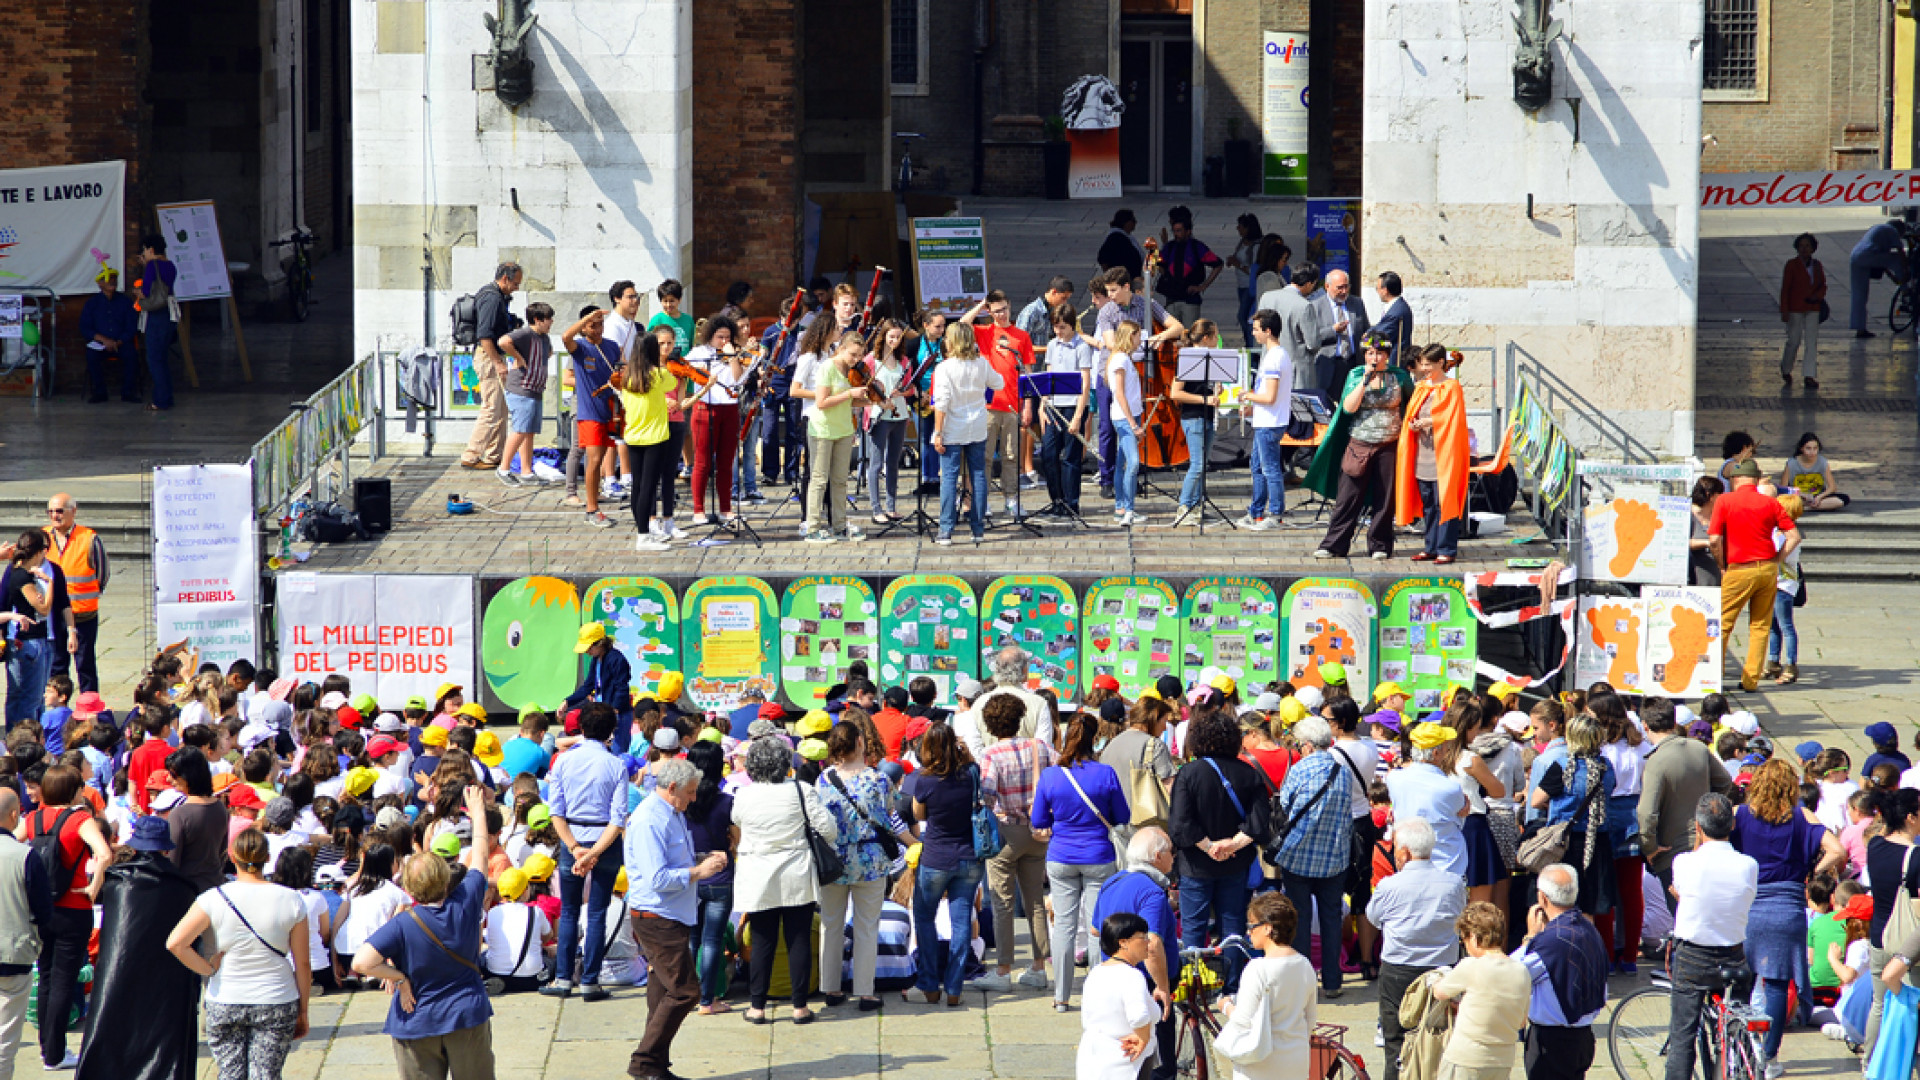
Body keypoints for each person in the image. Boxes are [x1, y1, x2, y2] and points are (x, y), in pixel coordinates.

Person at [351, 785, 496, 1080]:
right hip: (465, 1015)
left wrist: (399, 978)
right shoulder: (465, 903)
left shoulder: (402, 923)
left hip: (415, 1019)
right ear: (445, 881)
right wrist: (478, 812)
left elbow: (361, 963)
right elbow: (481, 853)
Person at [165, 829, 311, 1080]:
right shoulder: (291, 899)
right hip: (276, 997)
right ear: (268, 857)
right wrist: (303, 1009)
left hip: (225, 997)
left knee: (230, 1074)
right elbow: (303, 963)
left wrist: (207, 969)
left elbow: (176, 943)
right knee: (266, 1074)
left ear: (232, 857)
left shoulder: (212, 898)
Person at [1729, 758, 1845, 1071]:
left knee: (1742, 983)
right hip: (1787, 907)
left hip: (1747, 905)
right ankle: (1768, 1057)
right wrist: (1811, 872)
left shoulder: (1738, 815)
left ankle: (1736, 1052)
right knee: (1777, 985)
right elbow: (1837, 850)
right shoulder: (1801, 816)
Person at [624, 756, 728, 1080]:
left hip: (670, 915)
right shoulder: (649, 820)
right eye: (691, 792)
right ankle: (644, 1063)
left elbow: (673, 860)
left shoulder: (672, 812)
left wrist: (701, 859)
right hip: (658, 916)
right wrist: (700, 871)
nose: (695, 798)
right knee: (685, 991)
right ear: (672, 788)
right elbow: (658, 879)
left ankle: (654, 1067)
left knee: (662, 989)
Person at [77, 814, 199, 1080]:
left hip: (119, 970)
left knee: (115, 1019)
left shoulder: (118, 882)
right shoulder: (183, 886)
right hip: (165, 975)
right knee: (161, 1028)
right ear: (166, 848)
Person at [733, 735, 838, 1022]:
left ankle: (756, 1007)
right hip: (796, 872)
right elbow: (829, 830)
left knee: (762, 939)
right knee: (799, 939)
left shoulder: (744, 795)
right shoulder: (801, 790)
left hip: (758, 874)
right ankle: (800, 1006)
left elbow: (738, 820)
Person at [1030, 709, 1130, 1009]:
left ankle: (1061, 995)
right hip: (1098, 855)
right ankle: (1096, 994)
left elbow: (1038, 819)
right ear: (1094, 737)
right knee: (1097, 923)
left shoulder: (1050, 775)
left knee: (1064, 925)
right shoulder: (1105, 774)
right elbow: (1122, 816)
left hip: (1061, 854)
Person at [1167, 710, 1269, 990]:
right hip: (1237, 863)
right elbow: (1260, 822)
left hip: (1195, 865)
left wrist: (1210, 846)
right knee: (1233, 929)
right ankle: (1232, 987)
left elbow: (1179, 825)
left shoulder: (1189, 773)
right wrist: (1233, 844)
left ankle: (1193, 986)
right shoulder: (1249, 772)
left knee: (1193, 930)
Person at [814, 722, 909, 1011]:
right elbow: (889, 813)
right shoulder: (879, 780)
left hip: (833, 860)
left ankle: (830, 987)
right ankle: (865, 991)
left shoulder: (823, 780)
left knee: (831, 924)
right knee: (867, 926)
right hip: (870, 859)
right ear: (858, 744)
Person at [1665, 793, 1759, 1080]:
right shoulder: (1748, 864)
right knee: (1736, 1021)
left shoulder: (1684, 862)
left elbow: (1683, 893)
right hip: (1734, 954)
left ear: (1699, 827)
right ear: (1731, 825)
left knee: (1683, 1035)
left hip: (1694, 955)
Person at [1365, 816, 1465, 1080]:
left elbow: (1374, 918)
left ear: (1405, 852)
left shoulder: (1389, 885)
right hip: (1442, 970)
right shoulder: (1453, 883)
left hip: (1399, 970)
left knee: (1396, 1043)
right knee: (1443, 1040)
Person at [542, 701, 629, 1000]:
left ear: (580, 729)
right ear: (610, 733)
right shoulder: (616, 764)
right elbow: (618, 819)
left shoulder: (564, 761)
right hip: (604, 841)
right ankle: (590, 980)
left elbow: (556, 812)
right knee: (597, 913)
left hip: (573, 839)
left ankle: (564, 979)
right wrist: (592, 853)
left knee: (568, 912)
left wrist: (576, 848)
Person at [975, 694, 1059, 993]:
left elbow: (987, 794)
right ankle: (1038, 967)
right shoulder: (1042, 747)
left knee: (1002, 902)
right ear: (1021, 717)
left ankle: (1003, 969)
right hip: (1038, 832)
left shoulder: (991, 754)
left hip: (1007, 831)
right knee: (1035, 899)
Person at [1268, 716, 1353, 997]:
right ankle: (1332, 982)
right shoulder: (1343, 771)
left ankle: (1303, 983)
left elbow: (1285, 805)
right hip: (1334, 856)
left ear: (1306, 745)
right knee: (1331, 918)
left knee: (1299, 919)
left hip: (1298, 855)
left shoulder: (1299, 770)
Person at [1308, 334, 1414, 560]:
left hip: (1389, 444)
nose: (1374, 358)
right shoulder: (1356, 375)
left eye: (1379, 353)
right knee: (1348, 496)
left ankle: (1379, 546)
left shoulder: (1400, 377)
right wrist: (1365, 381)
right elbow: (1348, 408)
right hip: (1359, 442)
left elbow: (1412, 404)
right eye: (1370, 353)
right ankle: (1334, 544)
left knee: (1385, 499)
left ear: (1387, 355)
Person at [902, 722, 984, 1006]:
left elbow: (919, 814)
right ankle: (954, 987)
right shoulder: (971, 773)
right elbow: (977, 782)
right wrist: (966, 752)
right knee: (961, 921)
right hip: (969, 856)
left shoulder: (924, 779)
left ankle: (928, 982)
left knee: (924, 918)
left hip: (936, 857)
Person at [1092, 828, 1179, 1080]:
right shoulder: (1151, 891)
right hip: (1144, 981)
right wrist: (1162, 986)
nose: (1173, 858)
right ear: (1157, 856)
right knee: (1157, 1059)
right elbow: (1152, 945)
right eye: (1171, 852)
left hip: (1112, 974)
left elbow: (1095, 929)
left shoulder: (1112, 882)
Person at [1709, 458, 1802, 691]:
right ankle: (1751, 680)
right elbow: (1794, 536)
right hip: (1767, 569)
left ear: (1736, 479)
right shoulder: (1770, 503)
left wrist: (1721, 564)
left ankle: (1714, 676)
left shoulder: (1725, 500)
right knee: (1760, 625)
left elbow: (1714, 539)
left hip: (1739, 567)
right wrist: (1777, 559)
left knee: (1723, 623)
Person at [1514, 863, 1609, 1080]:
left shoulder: (1550, 942)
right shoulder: (1589, 929)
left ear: (1542, 899)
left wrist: (1530, 937)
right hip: (1583, 1037)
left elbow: (1511, 975)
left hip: (1552, 1043)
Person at [1634, 696, 1732, 896]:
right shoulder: (1698, 748)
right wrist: (1707, 809)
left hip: (1670, 853)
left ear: (1645, 725)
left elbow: (1646, 813)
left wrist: (1649, 847)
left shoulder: (1656, 761)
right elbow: (1725, 782)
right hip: (1704, 843)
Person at [1214, 892, 1315, 1080]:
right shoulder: (1305, 965)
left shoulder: (1257, 968)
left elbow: (1243, 1021)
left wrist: (1226, 1006)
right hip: (1296, 1061)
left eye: (1252, 926)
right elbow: (1310, 1020)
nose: (1248, 932)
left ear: (1267, 928)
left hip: (1260, 1062)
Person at [1429, 903, 1532, 1080]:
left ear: (1475, 938)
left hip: (1466, 1058)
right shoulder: (1521, 971)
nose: (1465, 946)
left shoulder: (1470, 966)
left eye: (1464, 939)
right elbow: (1521, 1022)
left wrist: (1433, 979)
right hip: (1502, 1061)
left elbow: (1439, 991)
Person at [932, 320, 1004, 546]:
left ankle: (945, 529)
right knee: (978, 475)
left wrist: (937, 432)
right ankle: (977, 527)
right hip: (977, 425)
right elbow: (999, 383)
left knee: (950, 477)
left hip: (953, 426)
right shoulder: (981, 363)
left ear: (952, 342)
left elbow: (941, 403)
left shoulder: (944, 367)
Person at [1396, 345, 1469, 565]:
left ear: (1440, 363)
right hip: (1422, 453)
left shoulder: (1451, 387)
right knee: (1428, 502)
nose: (1424, 368)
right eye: (1422, 364)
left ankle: (1446, 548)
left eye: (1428, 364)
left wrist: (1430, 421)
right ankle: (1430, 546)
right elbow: (1411, 412)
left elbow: (1454, 419)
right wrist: (1414, 423)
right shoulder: (1421, 388)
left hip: (1444, 455)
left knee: (1444, 501)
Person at [617, 332, 685, 551]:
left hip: (633, 436)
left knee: (638, 486)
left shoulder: (627, 376)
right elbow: (674, 382)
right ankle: (644, 537)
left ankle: (642, 531)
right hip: (655, 437)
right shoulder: (659, 375)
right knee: (648, 486)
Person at [970, 291, 1035, 518]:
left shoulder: (1021, 336)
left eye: (1004, 309)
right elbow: (960, 325)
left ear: (1010, 307)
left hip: (1012, 404)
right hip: (987, 405)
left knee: (1011, 455)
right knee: (985, 456)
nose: (1002, 314)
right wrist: (980, 307)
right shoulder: (985, 331)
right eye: (996, 311)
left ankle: (1011, 499)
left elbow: (1027, 373)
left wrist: (1028, 406)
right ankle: (983, 500)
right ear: (990, 312)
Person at [1076, 912, 1161, 1080]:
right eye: (1142, 937)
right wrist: (1143, 1038)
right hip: (1125, 1064)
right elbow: (1139, 1017)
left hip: (1093, 1059)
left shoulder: (1096, 971)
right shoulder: (1132, 976)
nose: (1148, 942)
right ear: (1123, 942)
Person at [559, 307, 621, 529]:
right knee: (593, 460)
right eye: (592, 325)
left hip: (610, 410)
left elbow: (621, 370)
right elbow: (566, 337)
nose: (597, 329)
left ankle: (595, 502)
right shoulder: (581, 347)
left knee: (604, 459)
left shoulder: (612, 347)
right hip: (589, 411)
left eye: (600, 324)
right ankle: (591, 509)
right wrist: (585, 317)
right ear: (583, 326)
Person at [0, 789, 47, 1079]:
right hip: (13, 954)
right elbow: (43, 911)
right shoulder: (26, 856)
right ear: (15, 815)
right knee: (4, 1042)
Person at [3, 530, 73, 729]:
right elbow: (44, 607)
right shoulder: (22, 576)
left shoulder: (19, 572)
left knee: (22, 695)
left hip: (29, 640)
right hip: (31, 641)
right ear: (38, 552)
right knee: (32, 698)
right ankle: (26, 739)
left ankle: (17, 736)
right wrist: (49, 583)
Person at [682, 314, 748, 525]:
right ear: (710, 336)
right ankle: (699, 509)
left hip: (729, 409)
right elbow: (694, 376)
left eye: (728, 337)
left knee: (726, 462)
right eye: (720, 337)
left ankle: (726, 508)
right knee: (702, 462)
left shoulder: (734, 353)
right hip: (705, 409)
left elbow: (737, 378)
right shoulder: (698, 353)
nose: (724, 341)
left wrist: (733, 357)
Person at [38, 496, 107, 694]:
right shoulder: (42, 537)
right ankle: (59, 710)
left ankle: (90, 710)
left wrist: (90, 594)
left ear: (73, 511)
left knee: (85, 665)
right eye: (50, 511)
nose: (54, 516)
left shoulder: (89, 538)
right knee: (56, 664)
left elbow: (103, 573)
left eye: (59, 511)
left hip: (82, 614)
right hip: (53, 614)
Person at [803, 335, 866, 544]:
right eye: (852, 354)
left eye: (859, 355)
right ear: (841, 348)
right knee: (819, 480)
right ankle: (812, 527)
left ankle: (839, 526)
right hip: (823, 430)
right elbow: (821, 402)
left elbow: (852, 399)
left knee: (840, 481)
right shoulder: (827, 367)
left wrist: (875, 401)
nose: (855, 359)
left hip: (843, 429)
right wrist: (850, 394)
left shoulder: (850, 370)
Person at [1384, 722, 1469, 878]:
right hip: (1446, 863)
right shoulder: (1450, 788)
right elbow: (1462, 810)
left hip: (1409, 861)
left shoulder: (1394, 778)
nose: (1448, 750)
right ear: (1436, 753)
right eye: (1445, 747)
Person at [460, 262, 522, 469]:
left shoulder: (497, 297)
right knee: (491, 408)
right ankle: (471, 455)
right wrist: (498, 362)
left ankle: (494, 455)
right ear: (505, 278)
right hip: (489, 357)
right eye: (515, 283)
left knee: (501, 409)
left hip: (494, 356)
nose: (517, 288)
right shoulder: (492, 298)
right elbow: (484, 335)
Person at [1036, 304, 1094, 519]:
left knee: (1071, 457)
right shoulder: (1052, 344)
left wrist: (1078, 416)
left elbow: (1085, 382)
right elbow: (1049, 376)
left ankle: (1071, 503)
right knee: (1048, 454)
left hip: (1073, 405)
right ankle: (1056, 500)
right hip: (1053, 406)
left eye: (1062, 327)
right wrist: (1043, 405)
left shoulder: (1081, 347)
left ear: (1072, 326)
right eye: (1056, 327)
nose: (1058, 331)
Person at [1238, 310, 1292, 530]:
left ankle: (1276, 513)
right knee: (1258, 467)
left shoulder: (1274, 357)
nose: (1254, 333)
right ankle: (1256, 511)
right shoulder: (1275, 355)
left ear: (1268, 331)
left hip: (1270, 422)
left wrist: (1247, 396)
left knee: (1269, 468)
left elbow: (1269, 397)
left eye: (1256, 329)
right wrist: (1253, 408)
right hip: (1266, 420)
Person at [1168, 319, 1225, 528]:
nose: (1218, 339)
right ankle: (1184, 507)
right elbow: (1176, 393)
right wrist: (1205, 399)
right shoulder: (1187, 357)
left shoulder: (1212, 359)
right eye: (1215, 335)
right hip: (1193, 416)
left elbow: (1208, 389)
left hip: (1208, 415)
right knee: (1198, 464)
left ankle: (1196, 506)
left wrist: (1215, 391)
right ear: (1207, 337)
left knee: (1203, 464)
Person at [493, 301, 554, 487]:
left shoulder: (544, 338)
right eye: (548, 319)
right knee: (520, 430)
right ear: (537, 319)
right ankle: (503, 468)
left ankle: (526, 471)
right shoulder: (526, 333)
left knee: (529, 432)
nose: (551, 322)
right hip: (521, 388)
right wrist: (518, 357)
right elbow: (503, 341)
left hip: (535, 389)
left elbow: (549, 353)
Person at [862, 320, 914, 525]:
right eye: (891, 336)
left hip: (899, 415)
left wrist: (902, 392)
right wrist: (878, 397)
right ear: (882, 336)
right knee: (875, 464)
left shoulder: (903, 360)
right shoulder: (871, 360)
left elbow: (910, 388)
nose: (894, 340)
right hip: (879, 416)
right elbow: (864, 387)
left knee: (893, 463)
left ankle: (891, 507)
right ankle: (876, 508)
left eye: (898, 337)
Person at [1260, 265, 1336, 391]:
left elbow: (1258, 330)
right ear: (1309, 284)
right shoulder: (1304, 305)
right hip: (1296, 372)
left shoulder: (1267, 297)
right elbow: (1313, 344)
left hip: (1268, 365)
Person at [564, 626, 634, 756]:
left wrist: (614, 712)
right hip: (604, 714)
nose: (587, 652)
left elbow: (622, 689)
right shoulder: (596, 660)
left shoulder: (617, 659)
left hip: (617, 715)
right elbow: (588, 686)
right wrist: (567, 701)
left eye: (589, 648)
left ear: (600, 644)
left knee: (617, 753)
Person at [1105, 320, 1149, 527]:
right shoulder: (1121, 359)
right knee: (1133, 463)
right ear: (1129, 336)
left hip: (1127, 415)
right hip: (1125, 418)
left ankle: (1120, 506)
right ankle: (1129, 509)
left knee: (1122, 462)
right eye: (1138, 336)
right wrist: (1133, 424)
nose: (1140, 340)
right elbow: (1119, 393)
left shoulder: (1123, 358)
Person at [1764, 493, 1808, 684]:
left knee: (1785, 625)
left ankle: (1791, 664)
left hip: (1783, 584)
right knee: (1773, 626)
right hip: (1772, 583)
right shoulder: (1777, 531)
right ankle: (1773, 661)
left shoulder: (1787, 534)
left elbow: (1775, 553)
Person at [1155, 206, 1223, 328]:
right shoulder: (1170, 247)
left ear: (1188, 231)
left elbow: (1218, 264)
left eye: (1179, 231)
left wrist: (1203, 286)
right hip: (1172, 299)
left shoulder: (1197, 247)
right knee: (1172, 337)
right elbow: (1161, 267)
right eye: (1174, 231)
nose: (1176, 234)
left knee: (1190, 336)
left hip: (1190, 300)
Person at [80, 266, 139, 403]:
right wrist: (103, 340)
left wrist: (118, 342)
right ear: (100, 283)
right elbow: (85, 328)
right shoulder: (92, 303)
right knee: (91, 356)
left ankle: (128, 392)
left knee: (132, 355)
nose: (112, 281)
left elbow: (131, 327)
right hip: (100, 344)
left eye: (114, 278)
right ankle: (100, 393)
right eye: (108, 279)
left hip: (121, 343)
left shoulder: (125, 302)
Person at [138, 233, 180, 411]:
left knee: (154, 359)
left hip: (156, 315)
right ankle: (166, 397)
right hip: (169, 313)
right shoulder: (170, 265)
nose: (144, 254)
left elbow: (146, 291)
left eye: (144, 250)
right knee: (162, 358)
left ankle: (160, 400)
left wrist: (138, 293)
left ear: (151, 249)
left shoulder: (152, 266)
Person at [1779, 232, 1826, 387]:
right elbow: (1785, 288)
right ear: (1797, 248)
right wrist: (1784, 309)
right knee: (1794, 340)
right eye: (1801, 246)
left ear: (1813, 248)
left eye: (1808, 246)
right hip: (1795, 307)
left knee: (1811, 341)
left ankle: (1809, 375)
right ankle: (1786, 368)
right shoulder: (1791, 265)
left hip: (1813, 307)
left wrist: (1817, 296)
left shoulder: (1817, 266)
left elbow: (1822, 285)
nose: (1804, 249)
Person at [1312, 269, 1369, 392]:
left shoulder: (1356, 303)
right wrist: (1333, 330)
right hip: (1329, 365)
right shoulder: (1315, 307)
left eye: (1346, 286)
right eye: (1340, 288)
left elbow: (1366, 329)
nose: (1344, 291)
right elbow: (1312, 337)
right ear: (1327, 286)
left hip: (1354, 364)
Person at [1848, 220, 1906, 338]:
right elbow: (1901, 253)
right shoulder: (1892, 231)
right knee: (1896, 260)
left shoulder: (1877, 228)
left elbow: (1882, 261)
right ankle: (1905, 288)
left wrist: (1892, 277)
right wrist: (1904, 273)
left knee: (1859, 295)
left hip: (1856, 256)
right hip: (1868, 256)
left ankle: (1860, 328)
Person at [1780, 432, 1849, 511]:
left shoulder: (1822, 462)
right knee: (1782, 501)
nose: (1812, 452)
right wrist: (1801, 494)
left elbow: (1832, 487)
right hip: (1799, 497)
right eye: (1808, 448)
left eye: (1815, 448)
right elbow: (1783, 488)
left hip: (1818, 496)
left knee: (1843, 499)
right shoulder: (1791, 463)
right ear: (1801, 448)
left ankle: (1806, 507)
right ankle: (1809, 506)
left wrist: (1819, 497)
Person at [1225, 214, 1264, 347]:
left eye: (1240, 226)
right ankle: (1248, 341)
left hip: (1249, 285)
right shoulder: (1242, 242)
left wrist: (1238, 264)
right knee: (1244, 315)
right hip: (1241, 285)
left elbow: (1254, 270)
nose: (1238, 228)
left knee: (1244, 316)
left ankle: (1250, 343)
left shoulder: (1256, 246)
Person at [1018, 275, 1077, 349]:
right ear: (1053, 292)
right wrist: (1048, 349)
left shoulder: (1051, 310)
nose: (1065, 302)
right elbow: (1019, 343)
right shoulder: (1032, 311)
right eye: (1063, 298)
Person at [1372, 271, 1413, 365]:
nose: (1377, 292)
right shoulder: (1396, 307)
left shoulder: (1396, 311)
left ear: (1385, 290)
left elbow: (1379, 337)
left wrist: (1366, 336)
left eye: (1377, 288)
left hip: (1395, 363)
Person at [1096, 209, 1146, 283]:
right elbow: (1103, 258)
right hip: (1122, 280)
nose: (1135, 223)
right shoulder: (1116, 238)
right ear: (1126, 222)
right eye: (1133, 220)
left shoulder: (1126, 236)